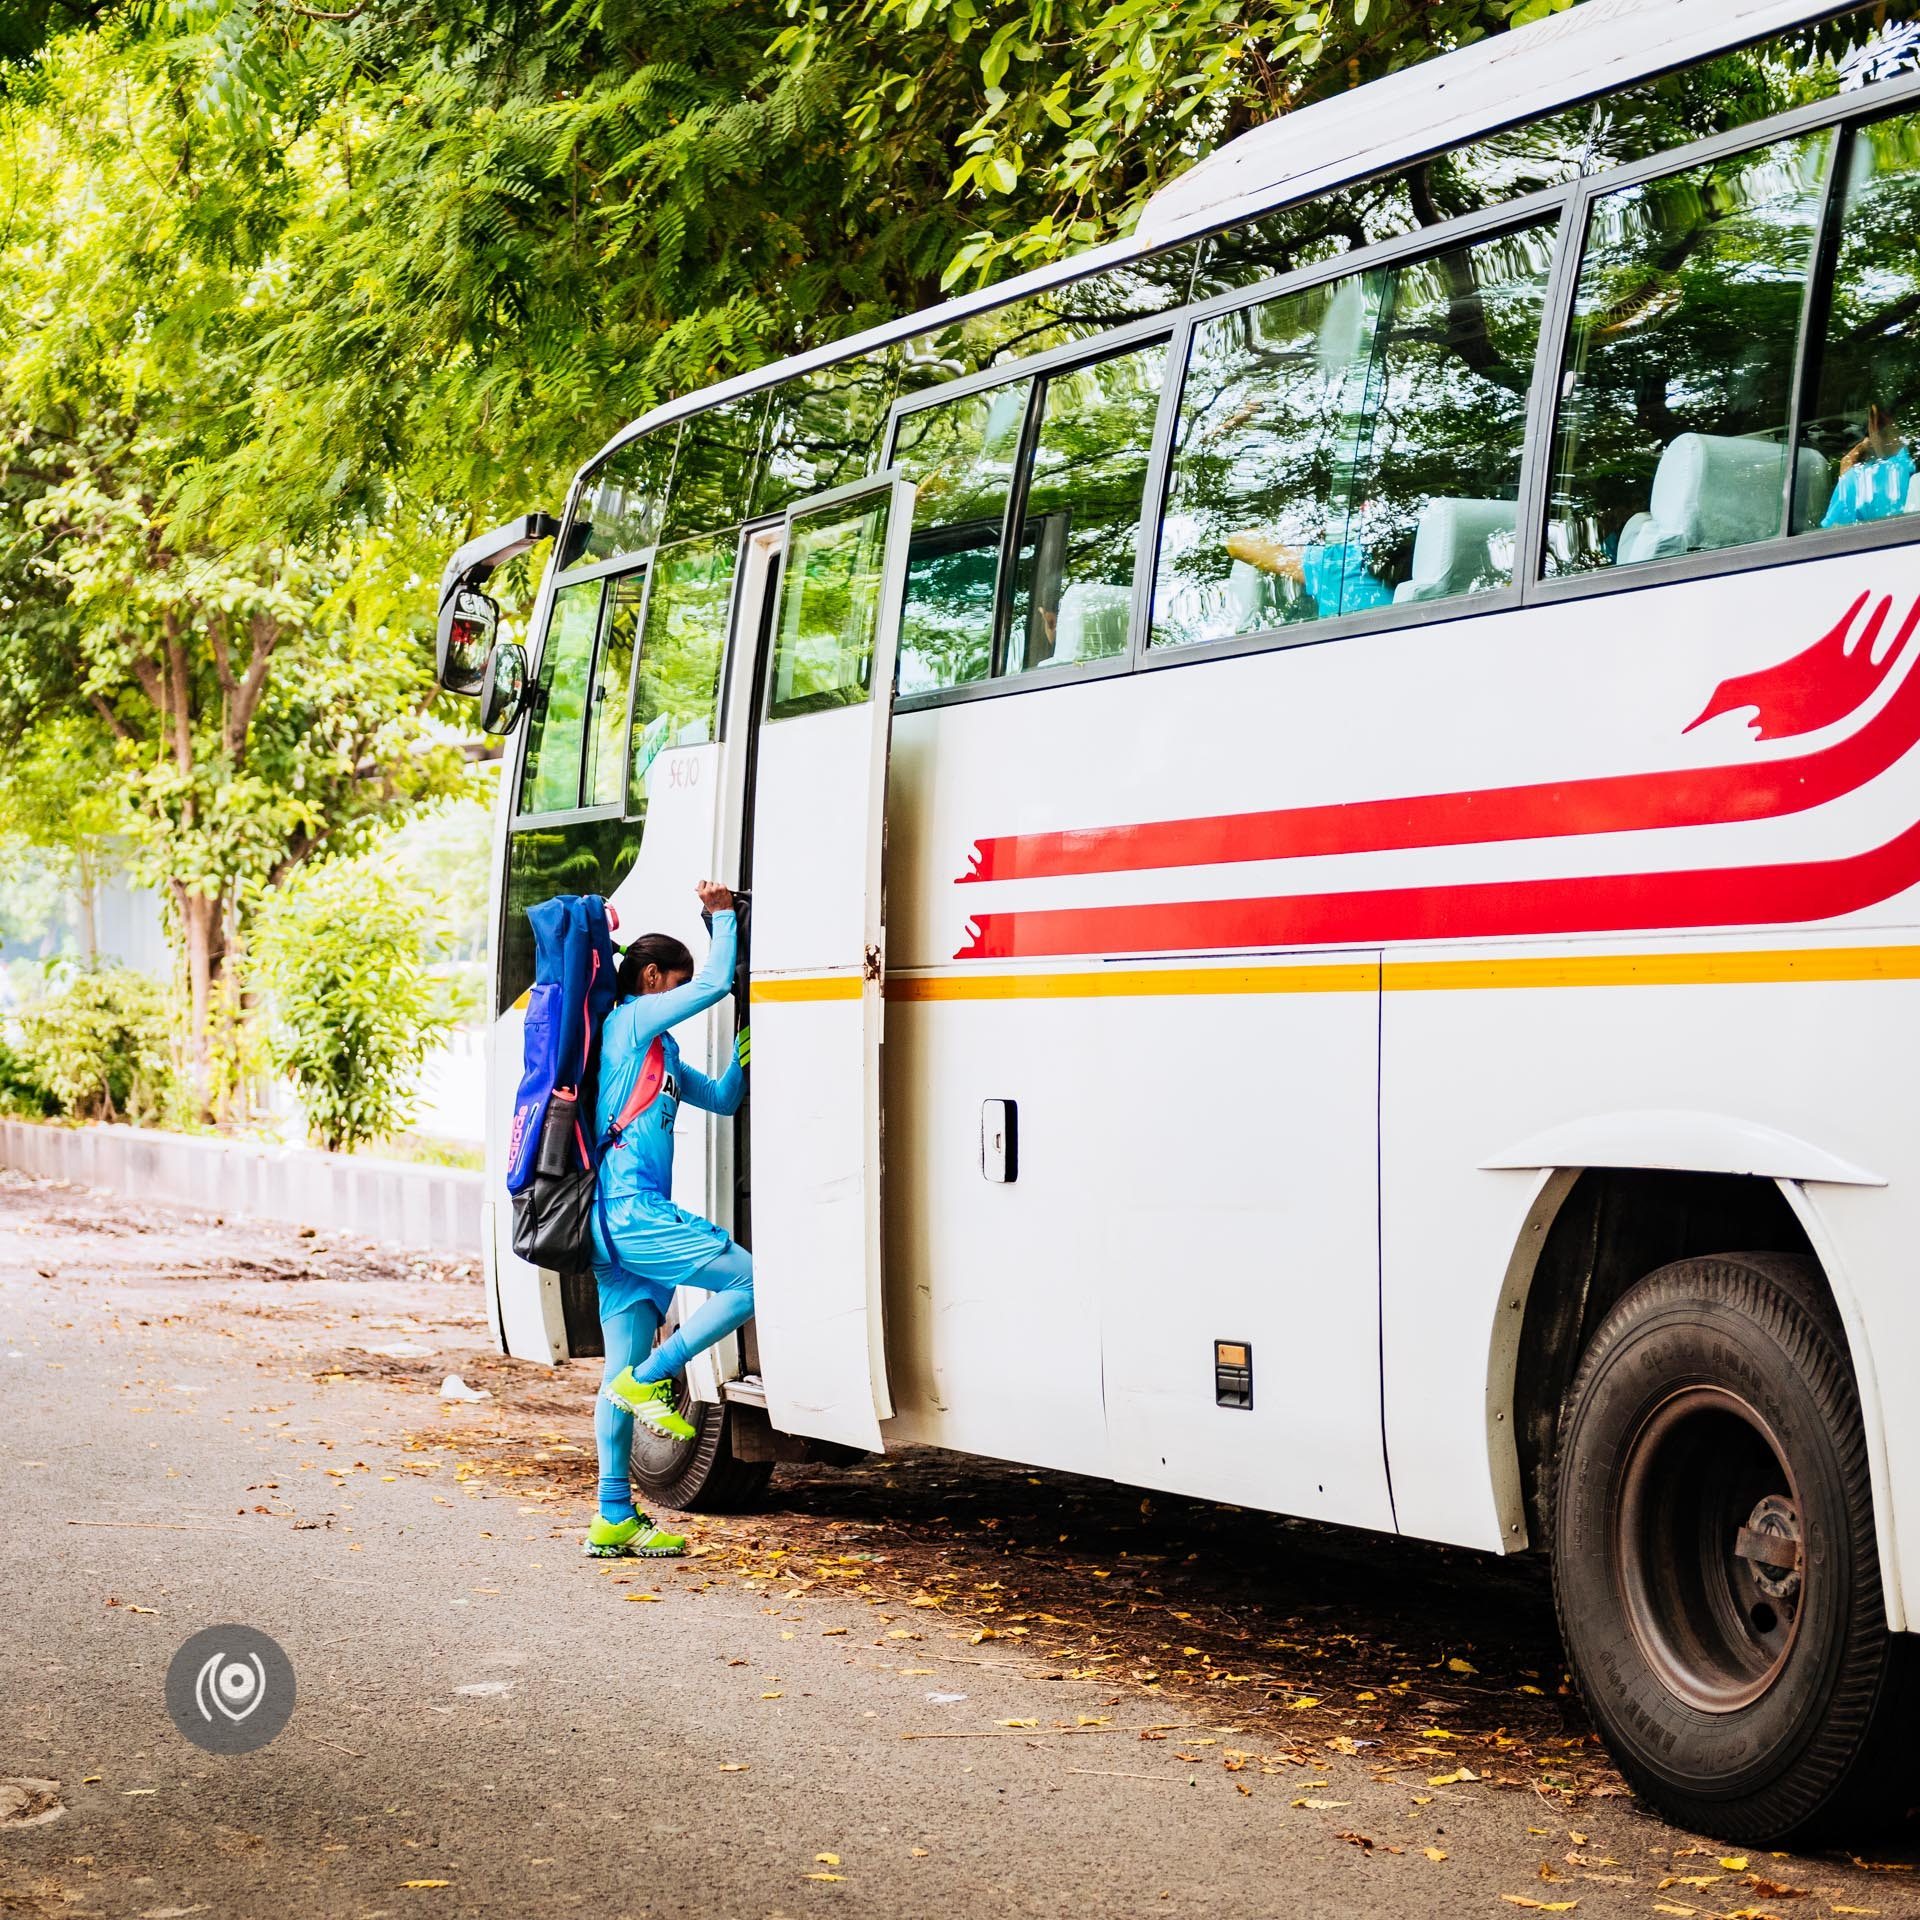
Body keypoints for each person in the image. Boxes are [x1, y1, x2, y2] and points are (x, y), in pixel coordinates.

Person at [585, 881, 752, 1559]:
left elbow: (721, 1099)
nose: (680, 995)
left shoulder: (665, 1052)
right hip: (630, 1213)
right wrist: (721, 919)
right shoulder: (629, 1023)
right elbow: (714, 982)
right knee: (749, 1281)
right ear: (652, 978)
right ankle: (655, 1376)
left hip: (617, 1226)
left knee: (615, 1374)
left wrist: (745, 1048)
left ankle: (613, 1516)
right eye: (672, 984)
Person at [1823, 401, 1915, 527]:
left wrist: (1846, 477)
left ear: (1874, 421)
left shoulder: (1858, 479)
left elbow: (1831, 538)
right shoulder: (1911, 466)